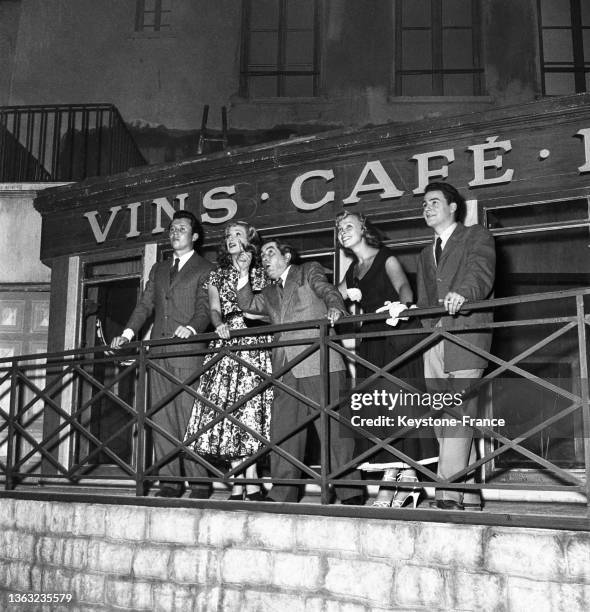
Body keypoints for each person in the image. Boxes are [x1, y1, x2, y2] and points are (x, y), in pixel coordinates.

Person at [236, 239, 363, 504]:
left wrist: (335, 307)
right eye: (262, 255)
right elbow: (247, 304)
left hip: (318, 361)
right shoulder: (270, 292)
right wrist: (244, 272)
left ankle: (349, 492)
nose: (265, 258)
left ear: (287, 255)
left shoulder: (307, 271)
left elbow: (327, 290)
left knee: (334, 431)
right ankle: (283, 491)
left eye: (270, 252)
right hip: (285, 369)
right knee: (284, 433)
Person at [336, 211, 436, 508]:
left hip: (395, 335)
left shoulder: (385, 257)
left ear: (364, 228)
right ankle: (392, 478)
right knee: (378, 408)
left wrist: (401, 307)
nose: (343, 231)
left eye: (348, 226)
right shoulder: (353, 269)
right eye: (340, 229)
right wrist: (341, 297)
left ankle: (405, 477)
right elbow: (330, 296)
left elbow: (406, 289)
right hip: (371, 343)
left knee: (400, 405)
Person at [111, 210, 214, 498]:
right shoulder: (158, 269)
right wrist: (128, 334)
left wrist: (193, 328)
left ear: (194, 236)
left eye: (181, 228)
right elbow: (145, 306)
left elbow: (205, 307)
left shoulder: (206, 267)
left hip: (187, 351)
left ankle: (199, 483)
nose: (174, 232)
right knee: (162, 419)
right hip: (158, 353)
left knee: (189, 417)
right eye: (172, 228)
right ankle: (169, 482)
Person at [416, 181, 495, 511]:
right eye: (424, 204)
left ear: (453, 207)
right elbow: (423, 296)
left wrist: (465, 293)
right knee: (441, 415)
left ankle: (446, 493)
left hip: (465, 334)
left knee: (459, 413)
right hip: (435, 340)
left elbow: (481, 270)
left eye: (434, 202)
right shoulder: (425, 252)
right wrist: (424, 325)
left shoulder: (476, 235)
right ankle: (470, 493)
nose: (427, 207)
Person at [184, 221, 273, 501]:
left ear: (250, 240)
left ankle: (252, 479)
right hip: (225, 344)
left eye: (238, 234)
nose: (231, 238)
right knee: (228, 414)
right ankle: (239, 482)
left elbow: (269, 309)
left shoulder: (263, 273)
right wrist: (219, 323)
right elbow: (213, 308)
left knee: (250, 411)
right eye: (228, 235)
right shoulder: (217, 275)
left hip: (254, 343)